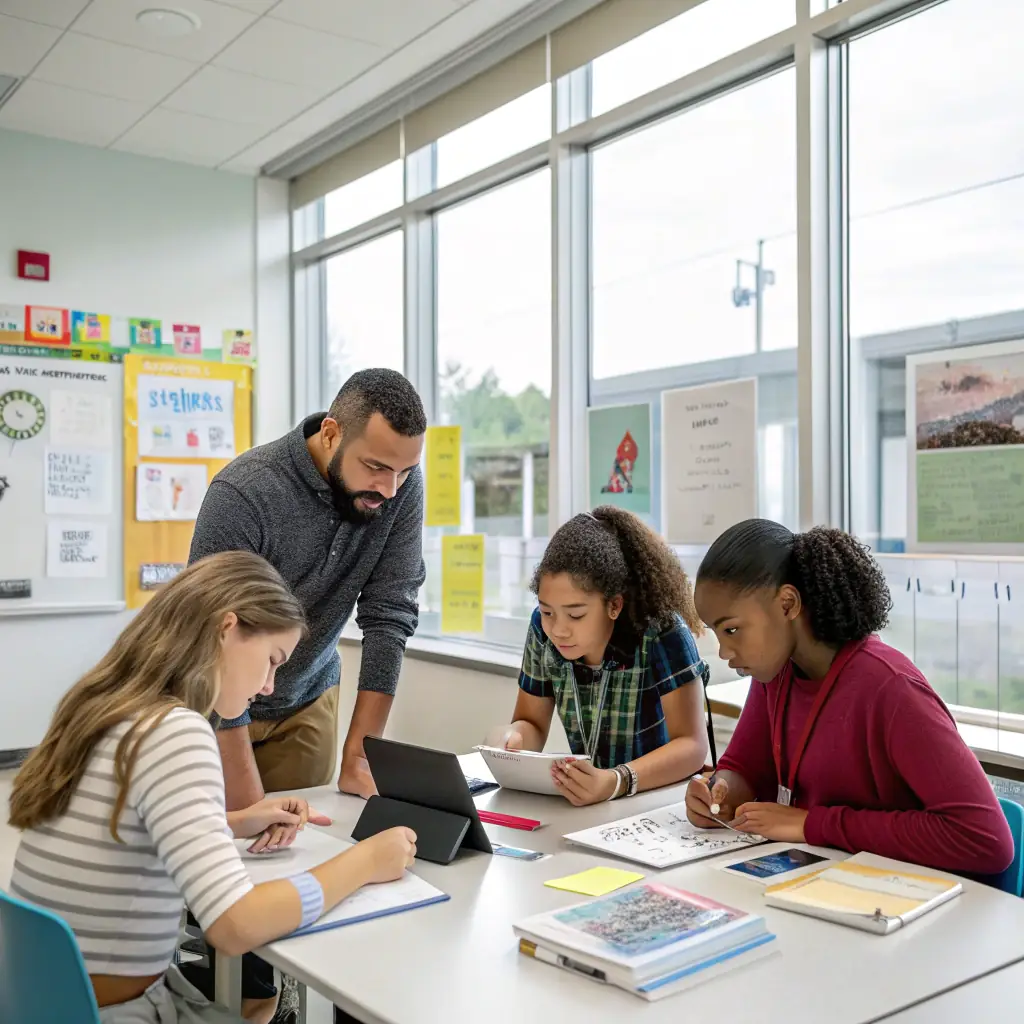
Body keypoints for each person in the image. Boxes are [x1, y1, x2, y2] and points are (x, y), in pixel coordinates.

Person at [7, 551, 417, 1024]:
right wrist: (366, 861)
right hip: (117, 1011)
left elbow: (117, 828)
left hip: (41, 999)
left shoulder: (103, 706)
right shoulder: (176, 730)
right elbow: (235, 926)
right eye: (270, 660)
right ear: (227, 628)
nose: (268, 686)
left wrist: (233, 823)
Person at [685, 518, 1014, 877]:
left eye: (732, 629)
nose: (724, 651)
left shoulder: (890, 688)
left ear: (787, 604)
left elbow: (987, 840)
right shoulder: (776, 672)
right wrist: (720, 793)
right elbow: (746, 768)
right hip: (825, 879)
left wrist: (814, 824)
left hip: (910, 897)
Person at [189, 368, 427, 808]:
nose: (390, 489)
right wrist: (247, 801)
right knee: (225, 837)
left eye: (405, 472)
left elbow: (390, 613)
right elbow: (212, 641)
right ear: (332, 435)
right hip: (212, 700)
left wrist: (360, 753)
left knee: (300, 841)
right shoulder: (244, 492)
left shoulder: (399, 487)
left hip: (306, 698)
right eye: (375, 467)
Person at [490, 507, 710, 806]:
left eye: (576, 614)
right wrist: (511, 739)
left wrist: (617, 780)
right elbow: (532, 723)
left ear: (614, 605)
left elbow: (692, 746)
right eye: (547, 611)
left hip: (659, 802)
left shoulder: (662, 632)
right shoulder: (541, 630)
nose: (558, 629)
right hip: (594, 805)